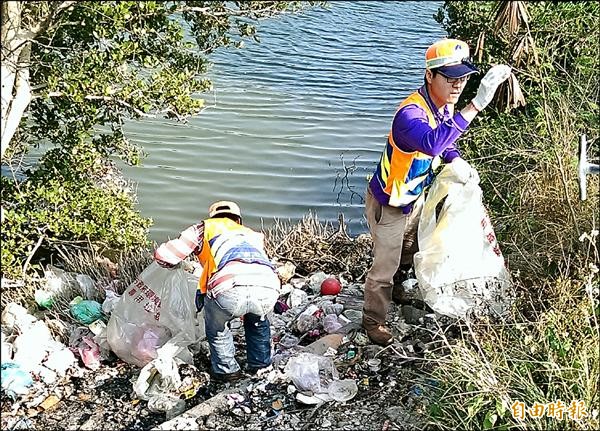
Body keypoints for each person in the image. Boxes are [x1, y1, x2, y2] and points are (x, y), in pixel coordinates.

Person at [362, 38, 511, 345]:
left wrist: (458, 161)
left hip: (415, 196)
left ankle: (401, 288)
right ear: (430, 76)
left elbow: (445, 144)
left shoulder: (443, 105)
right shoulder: (410, 115)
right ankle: (373, 320)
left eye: (464, 78)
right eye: (451, 78)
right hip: (389, 202)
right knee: (384, 266)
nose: (458, 85)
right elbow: (431, 143)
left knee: (412, 246)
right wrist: (476, 104)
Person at [154, 200, 280, 382]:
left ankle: (227, 371)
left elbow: (165, 256)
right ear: (238, 219)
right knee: (258, 323)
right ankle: (261, 366)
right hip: (268, 286)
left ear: (212, 216)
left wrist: (167, 264)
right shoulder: (252, 234)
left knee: (218, 328)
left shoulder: (203, 228)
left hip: (228, 287)